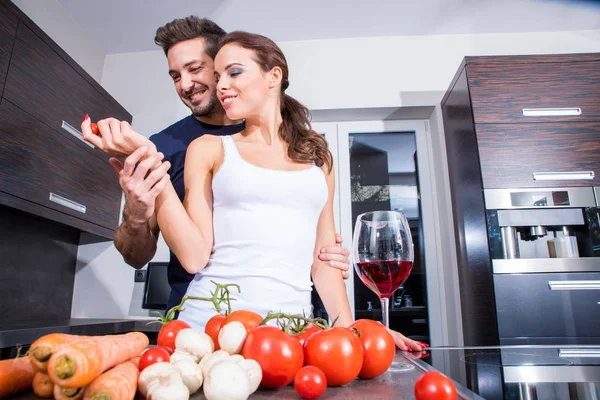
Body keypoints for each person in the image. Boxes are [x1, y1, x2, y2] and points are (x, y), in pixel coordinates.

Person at [82, 29, 426, 352]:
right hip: (209, 330)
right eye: (218, 78)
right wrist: (151, 162)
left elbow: (324, 260)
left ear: (273, 76)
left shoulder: (319, 158)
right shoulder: (207, 148)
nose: (221, 86)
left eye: (232, 73)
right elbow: (194, 257)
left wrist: (350, 335)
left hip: (289, 334)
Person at [81, 16, 351, 314]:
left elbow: (322, 252)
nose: (185, 84)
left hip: (296, 319)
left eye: (196, 69)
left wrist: (348, 328)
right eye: (175, 76)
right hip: (206, 315)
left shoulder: (308, 151)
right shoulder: (169, 147)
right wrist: (136, 215)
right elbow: (139, 256)